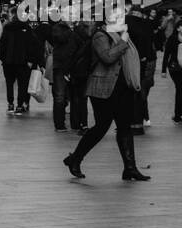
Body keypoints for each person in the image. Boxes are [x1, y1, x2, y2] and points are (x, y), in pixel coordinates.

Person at [62, 15, 149, 182]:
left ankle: (130, 168)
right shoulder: (100, 35)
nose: (120, 19)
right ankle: (76, 158)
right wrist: (123, 42)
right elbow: (107, 58)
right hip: (103, 88)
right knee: (101, 127)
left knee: (125, 127)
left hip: (123, 88)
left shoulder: (122, 34)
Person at [126, 0, 157, 131]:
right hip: (145, 61)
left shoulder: (125, 21)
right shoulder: (146, 24)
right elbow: (150, 42)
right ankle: (140, 122)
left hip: (129, 60)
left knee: (129, 92)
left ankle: (127, 122)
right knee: (141, 92)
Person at [0, 10, 37, 114]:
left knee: (9, 83)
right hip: (23, 62)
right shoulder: (27, 28)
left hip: (8, 61)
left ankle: (10, 104)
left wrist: (2, 58)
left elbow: (2, 45)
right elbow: (31, 46)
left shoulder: (7, 28)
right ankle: (20, 105)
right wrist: (30, 60)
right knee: (22, 84)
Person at [48, 14, 77, 132]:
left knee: (75, 96)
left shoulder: (75, 29)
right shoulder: (58, 28)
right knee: (60, 96)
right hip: (60, 66)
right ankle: (59, 124)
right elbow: (60, 39)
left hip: (74, 66)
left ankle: (76, 123)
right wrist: (71, 30)